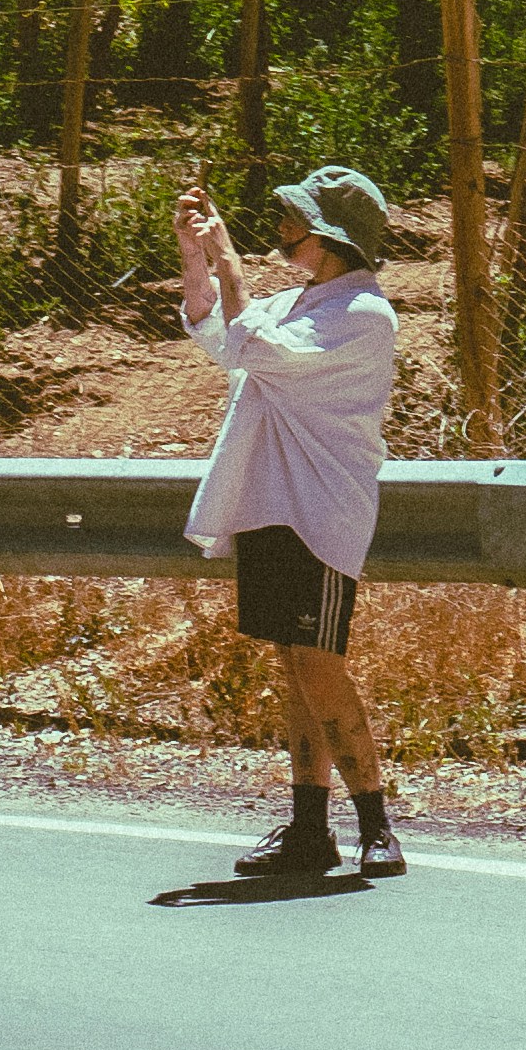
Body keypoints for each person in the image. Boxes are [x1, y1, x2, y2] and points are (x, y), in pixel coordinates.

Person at [174, 162, 406, 880]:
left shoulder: (363, 315)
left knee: (320, 667)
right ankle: (311, 829)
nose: (282, 230)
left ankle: (377, 826)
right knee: (294, 665)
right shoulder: (298, 303)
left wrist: (228, 259)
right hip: (271, 503)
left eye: (295, 220)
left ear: (331, 238)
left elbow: (258, 349)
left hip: (320, 513)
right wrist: (195, 254)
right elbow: (221, 337)